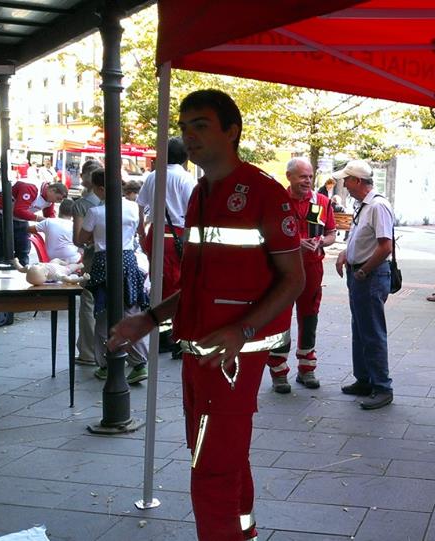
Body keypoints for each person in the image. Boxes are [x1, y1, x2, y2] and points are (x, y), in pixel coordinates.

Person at [107, 89, 305, 541]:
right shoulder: (200, 193)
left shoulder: (264, 194)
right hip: (198, 354)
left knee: (211, 469)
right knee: (223, 457)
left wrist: (242, 328)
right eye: (184, 127)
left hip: (233, 359)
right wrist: (149, 318)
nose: (188, 137)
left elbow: (293, 280)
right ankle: (244, 533)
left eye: (200, 125)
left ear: (231, 131)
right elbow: (194, 286)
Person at [267, 157, 336, 393]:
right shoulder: (276, 201)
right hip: (283, 270)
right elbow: (268, 235)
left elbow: (331, 234)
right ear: (289, 177)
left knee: (309, 317)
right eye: (302, 176)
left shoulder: (322, 202)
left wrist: (321, 242)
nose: (307, 181)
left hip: (312, 268)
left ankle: (307, 368)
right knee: (281, 319)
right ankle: (278, 372)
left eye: (309, 176)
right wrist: (297, 242)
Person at [76, 169, 149, 383]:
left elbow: (81, 238)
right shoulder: (134, 208)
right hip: (128, 260)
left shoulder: (96, 212)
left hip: (102, 263)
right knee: (131, 311)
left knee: (102, 315)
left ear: (100, 188)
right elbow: (141, 232)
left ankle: (106, 364)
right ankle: (139, 363)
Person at [334, 159, 395, 410]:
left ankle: (382, 386)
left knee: (371, 331)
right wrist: (346, 255)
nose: (345, 185)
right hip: (360, 273)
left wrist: (364, 270)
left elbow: (385, 246)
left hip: (368, 276)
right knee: (360, 329)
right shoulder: (365, 206)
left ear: (358, 181)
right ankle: (365, 379)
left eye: (347, 180)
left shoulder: (377, 206)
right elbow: (363, 240)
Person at [136, 136, 197, 359]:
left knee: (158, 283)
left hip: (156, 235)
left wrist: (142, 233)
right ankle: (175, 337)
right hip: (177, 236)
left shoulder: (153, 176)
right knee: (177, 284)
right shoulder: (185, 179)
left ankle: (161, 334)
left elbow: (140, 205)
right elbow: (192, 212)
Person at [0, 179, 67, 265]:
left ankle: (21, 265)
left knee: (23, 247)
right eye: (57, 198)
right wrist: (40, 219)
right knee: (1, 244)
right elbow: (19, 211)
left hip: (17, 216)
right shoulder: (31, 188)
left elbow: (49, 216)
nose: (56, 202)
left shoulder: (49, 199)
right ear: (52, 190)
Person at [71, 160, 103, 366]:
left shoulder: (82, 205)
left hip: (93, 258)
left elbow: (78, 239)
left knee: (88, 302)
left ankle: (89, 351)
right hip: (119, 257)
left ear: (85, 178)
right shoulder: (118, 203)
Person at [30, 198, 81, 264]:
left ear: (59, 209)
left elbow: (29, 229)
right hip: (71, 259)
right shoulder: (75, 225)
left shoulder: (48, 222)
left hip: (51, 258)